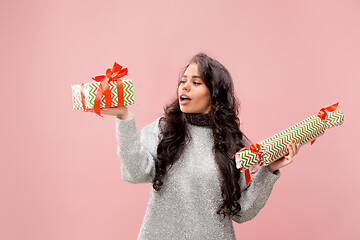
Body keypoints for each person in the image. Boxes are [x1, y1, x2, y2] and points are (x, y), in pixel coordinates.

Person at [89, 53, 300, 239]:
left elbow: (242, 211)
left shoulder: (235, 143)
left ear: (214, 94)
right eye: (183, 81)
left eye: (196, 82)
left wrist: (269, 170)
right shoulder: (163, 130)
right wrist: (124, 118)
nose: (185, 86)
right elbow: (134, 173)